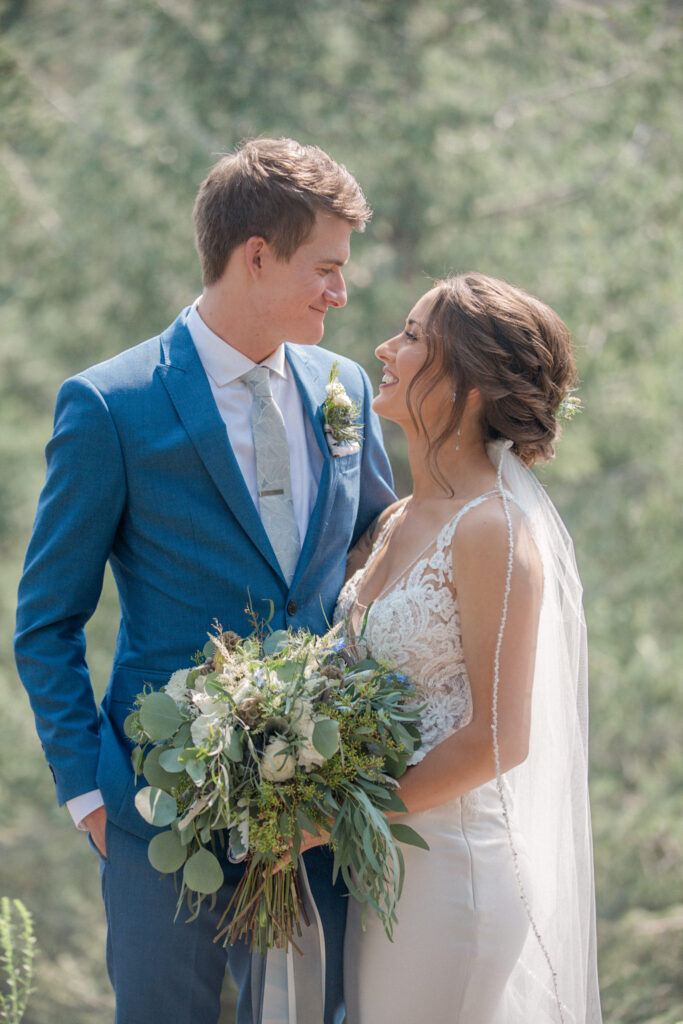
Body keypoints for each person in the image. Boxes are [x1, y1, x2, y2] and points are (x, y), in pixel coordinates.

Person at [14, 137, 395, 1024]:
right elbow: (46, 623)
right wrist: (91, 795)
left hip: (319, 809)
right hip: (159, 813)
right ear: (255, 255)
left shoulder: (342, 387)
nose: (341, 292)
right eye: (326, 267)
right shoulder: (111, 404)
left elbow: (378, 554)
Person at [333, 273, 602, 1022]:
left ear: (471, 383)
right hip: (385, 870)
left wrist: (337, 819)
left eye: (413, 336)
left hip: (453, 879)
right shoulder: (398, 519)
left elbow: (498, 739)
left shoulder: (492, 531)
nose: (385, 348)